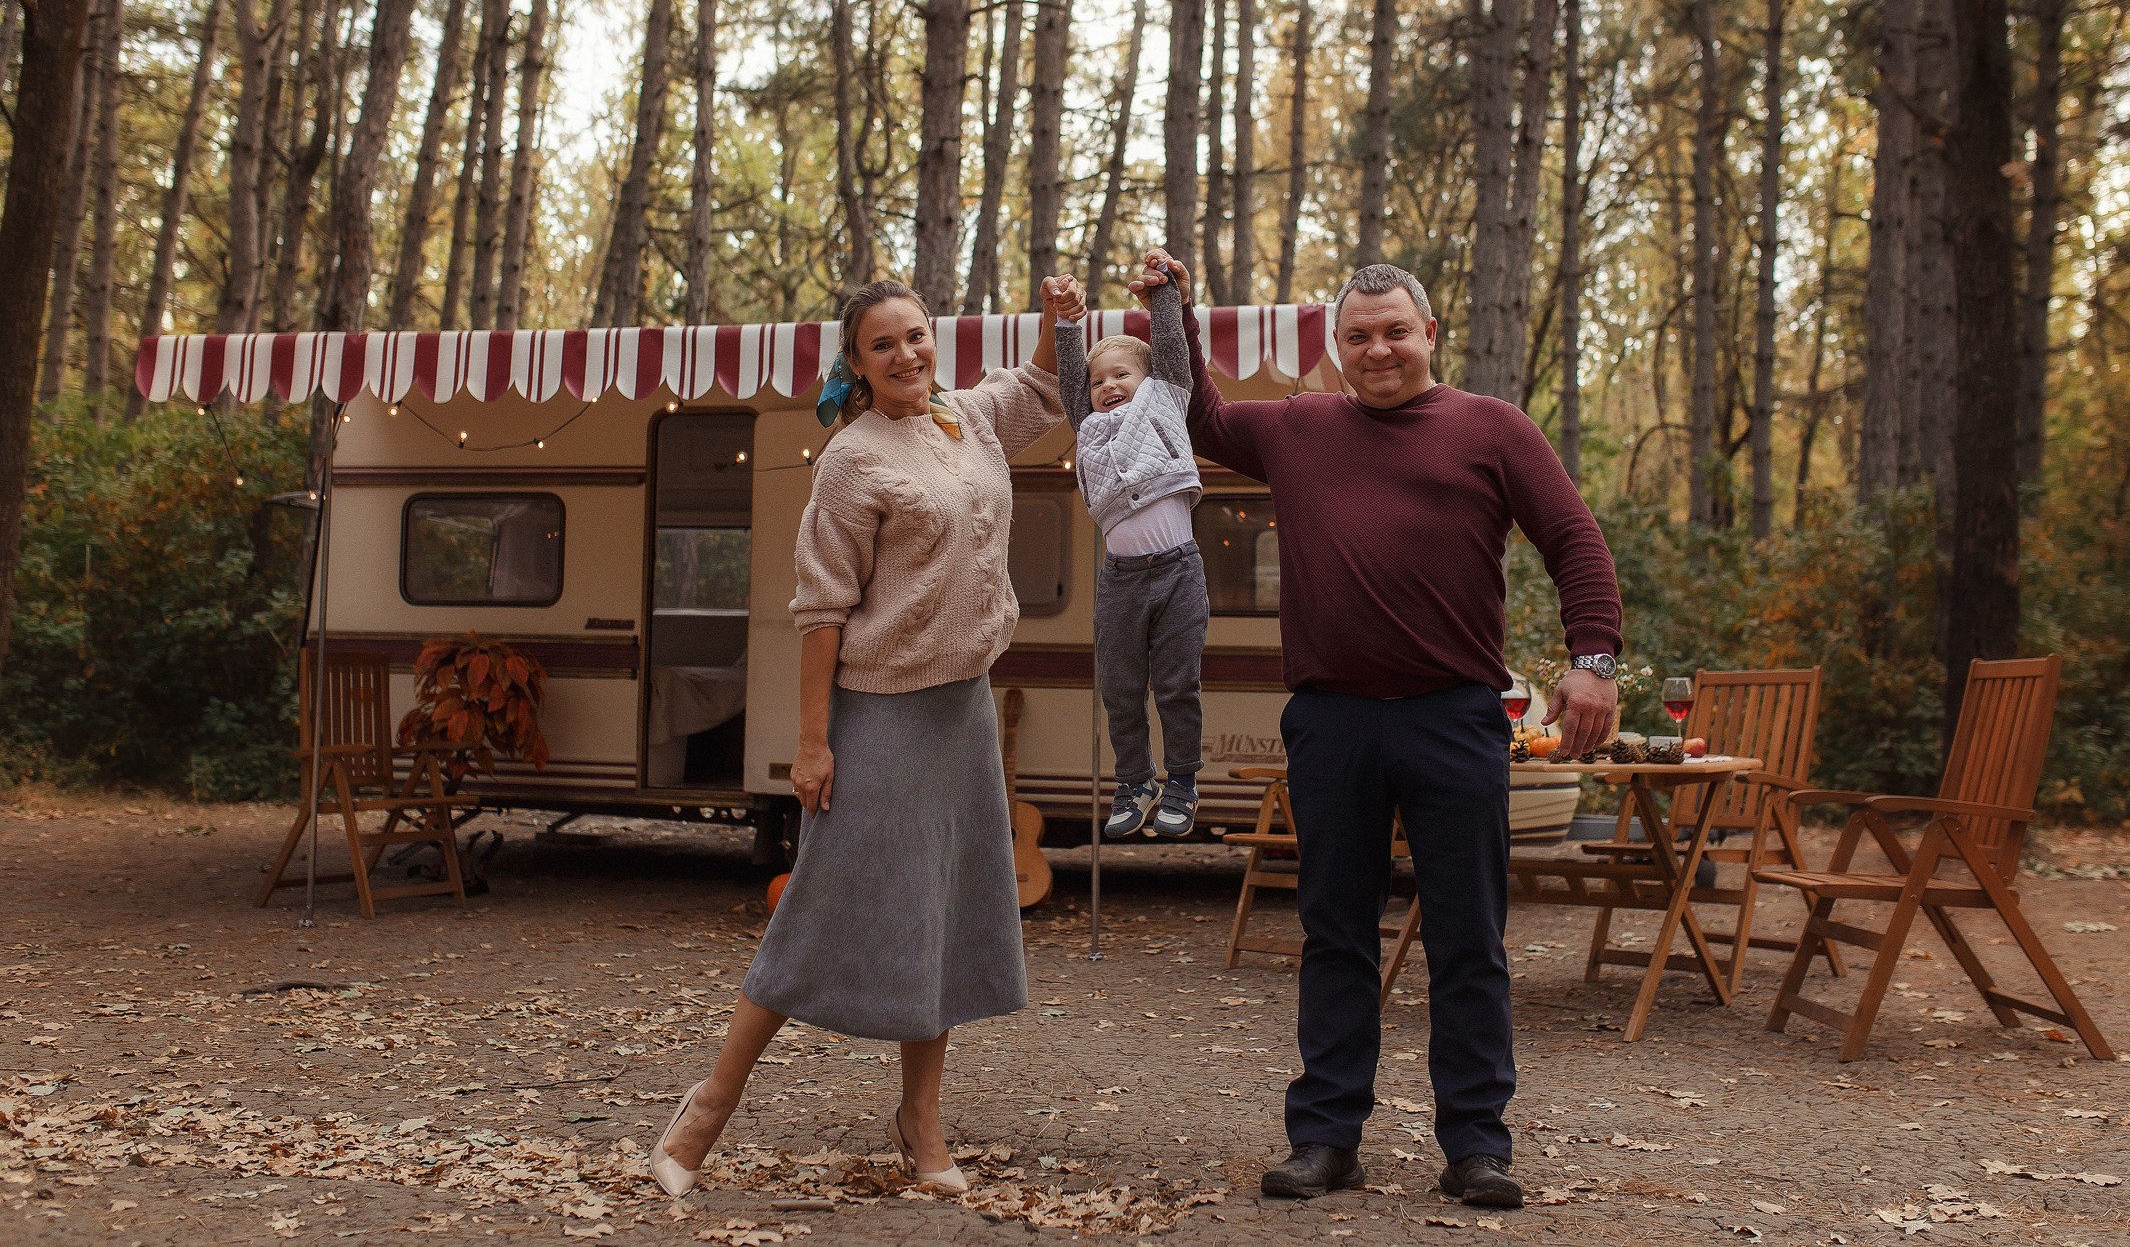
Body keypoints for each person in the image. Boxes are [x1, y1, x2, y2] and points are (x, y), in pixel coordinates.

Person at [1128, 257, 1623, 1209]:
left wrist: (1592, 661)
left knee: (1469, 938)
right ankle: (1325, 1138)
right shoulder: (1302, 426)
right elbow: (1195, 419)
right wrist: (1169, 307)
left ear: (1429, 333)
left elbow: (1574, 539)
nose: (1378, 349)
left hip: (1455, 716)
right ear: (1336, 347)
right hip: (1332, 719)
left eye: (1394, 330)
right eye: (1358, 335)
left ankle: (1477, 1145)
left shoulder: (1491, 428)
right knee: (1335, 933)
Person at [649, 273, 1087, 1200]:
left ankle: (920, 1122)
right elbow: (820, 611)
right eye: (883, 345)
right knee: (820, 905)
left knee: (941, 916)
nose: (907, 356)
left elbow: (1046, 389)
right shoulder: (851, 459)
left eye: (917, 337)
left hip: (961, 710)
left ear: (937, 340)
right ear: (856, 362)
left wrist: (1060, 325)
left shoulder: (968, 420)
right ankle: (707, 1109)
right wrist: (814, 745)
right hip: (880, 713)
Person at [1051, 250, 1208, 841]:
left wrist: (1164, 294)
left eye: (1121, 375)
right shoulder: (1087, 426)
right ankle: (1133, 780)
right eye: (1100, 381)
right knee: (1119, 685)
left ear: (1147, 379)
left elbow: (1168, 349)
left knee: (1174, 684)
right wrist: (1067, 324)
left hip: (1176, 572)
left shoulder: (1166, 397)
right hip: (1121, 576)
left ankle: (1183, 782)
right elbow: (1072, 380)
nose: (1108, 386)